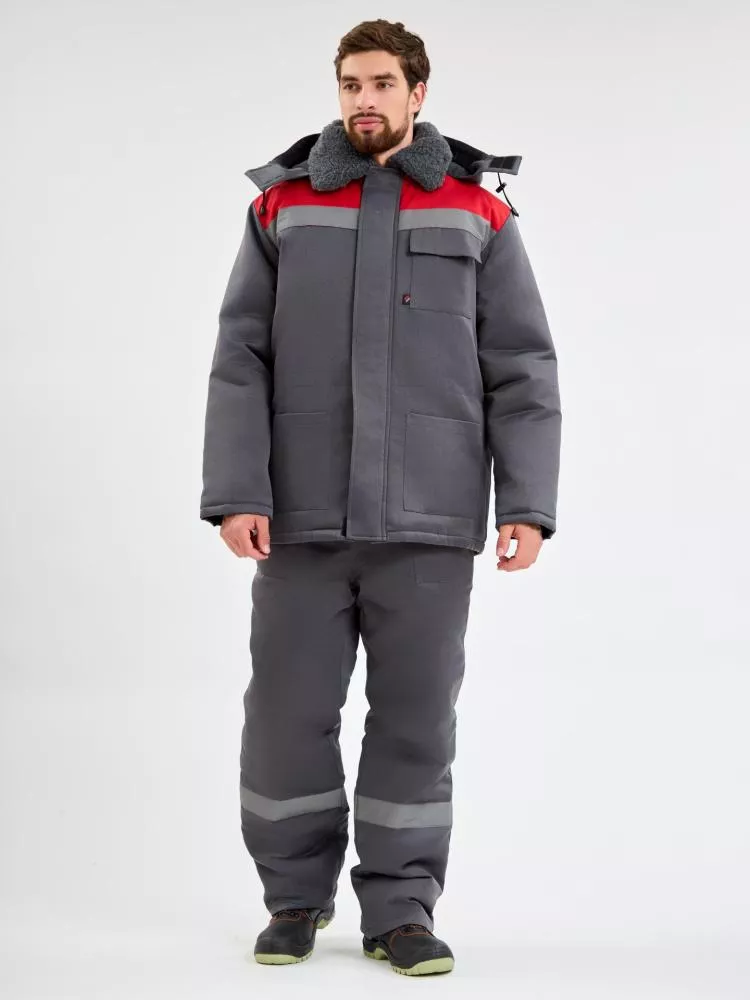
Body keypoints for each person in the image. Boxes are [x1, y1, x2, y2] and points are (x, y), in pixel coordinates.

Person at [200, 18, 562, 977]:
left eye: (383, 84)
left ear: (417, 93)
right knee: (286, 717)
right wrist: (236, 491)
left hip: (430, 520)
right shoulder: (282, 207)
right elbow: (240, 358)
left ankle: (401, 910)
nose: (365, 100)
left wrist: (526, 504)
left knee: (415, 722)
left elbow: (522, 367)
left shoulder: (478, 211)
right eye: (351, 84)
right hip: (300, 516)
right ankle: (293, 900)